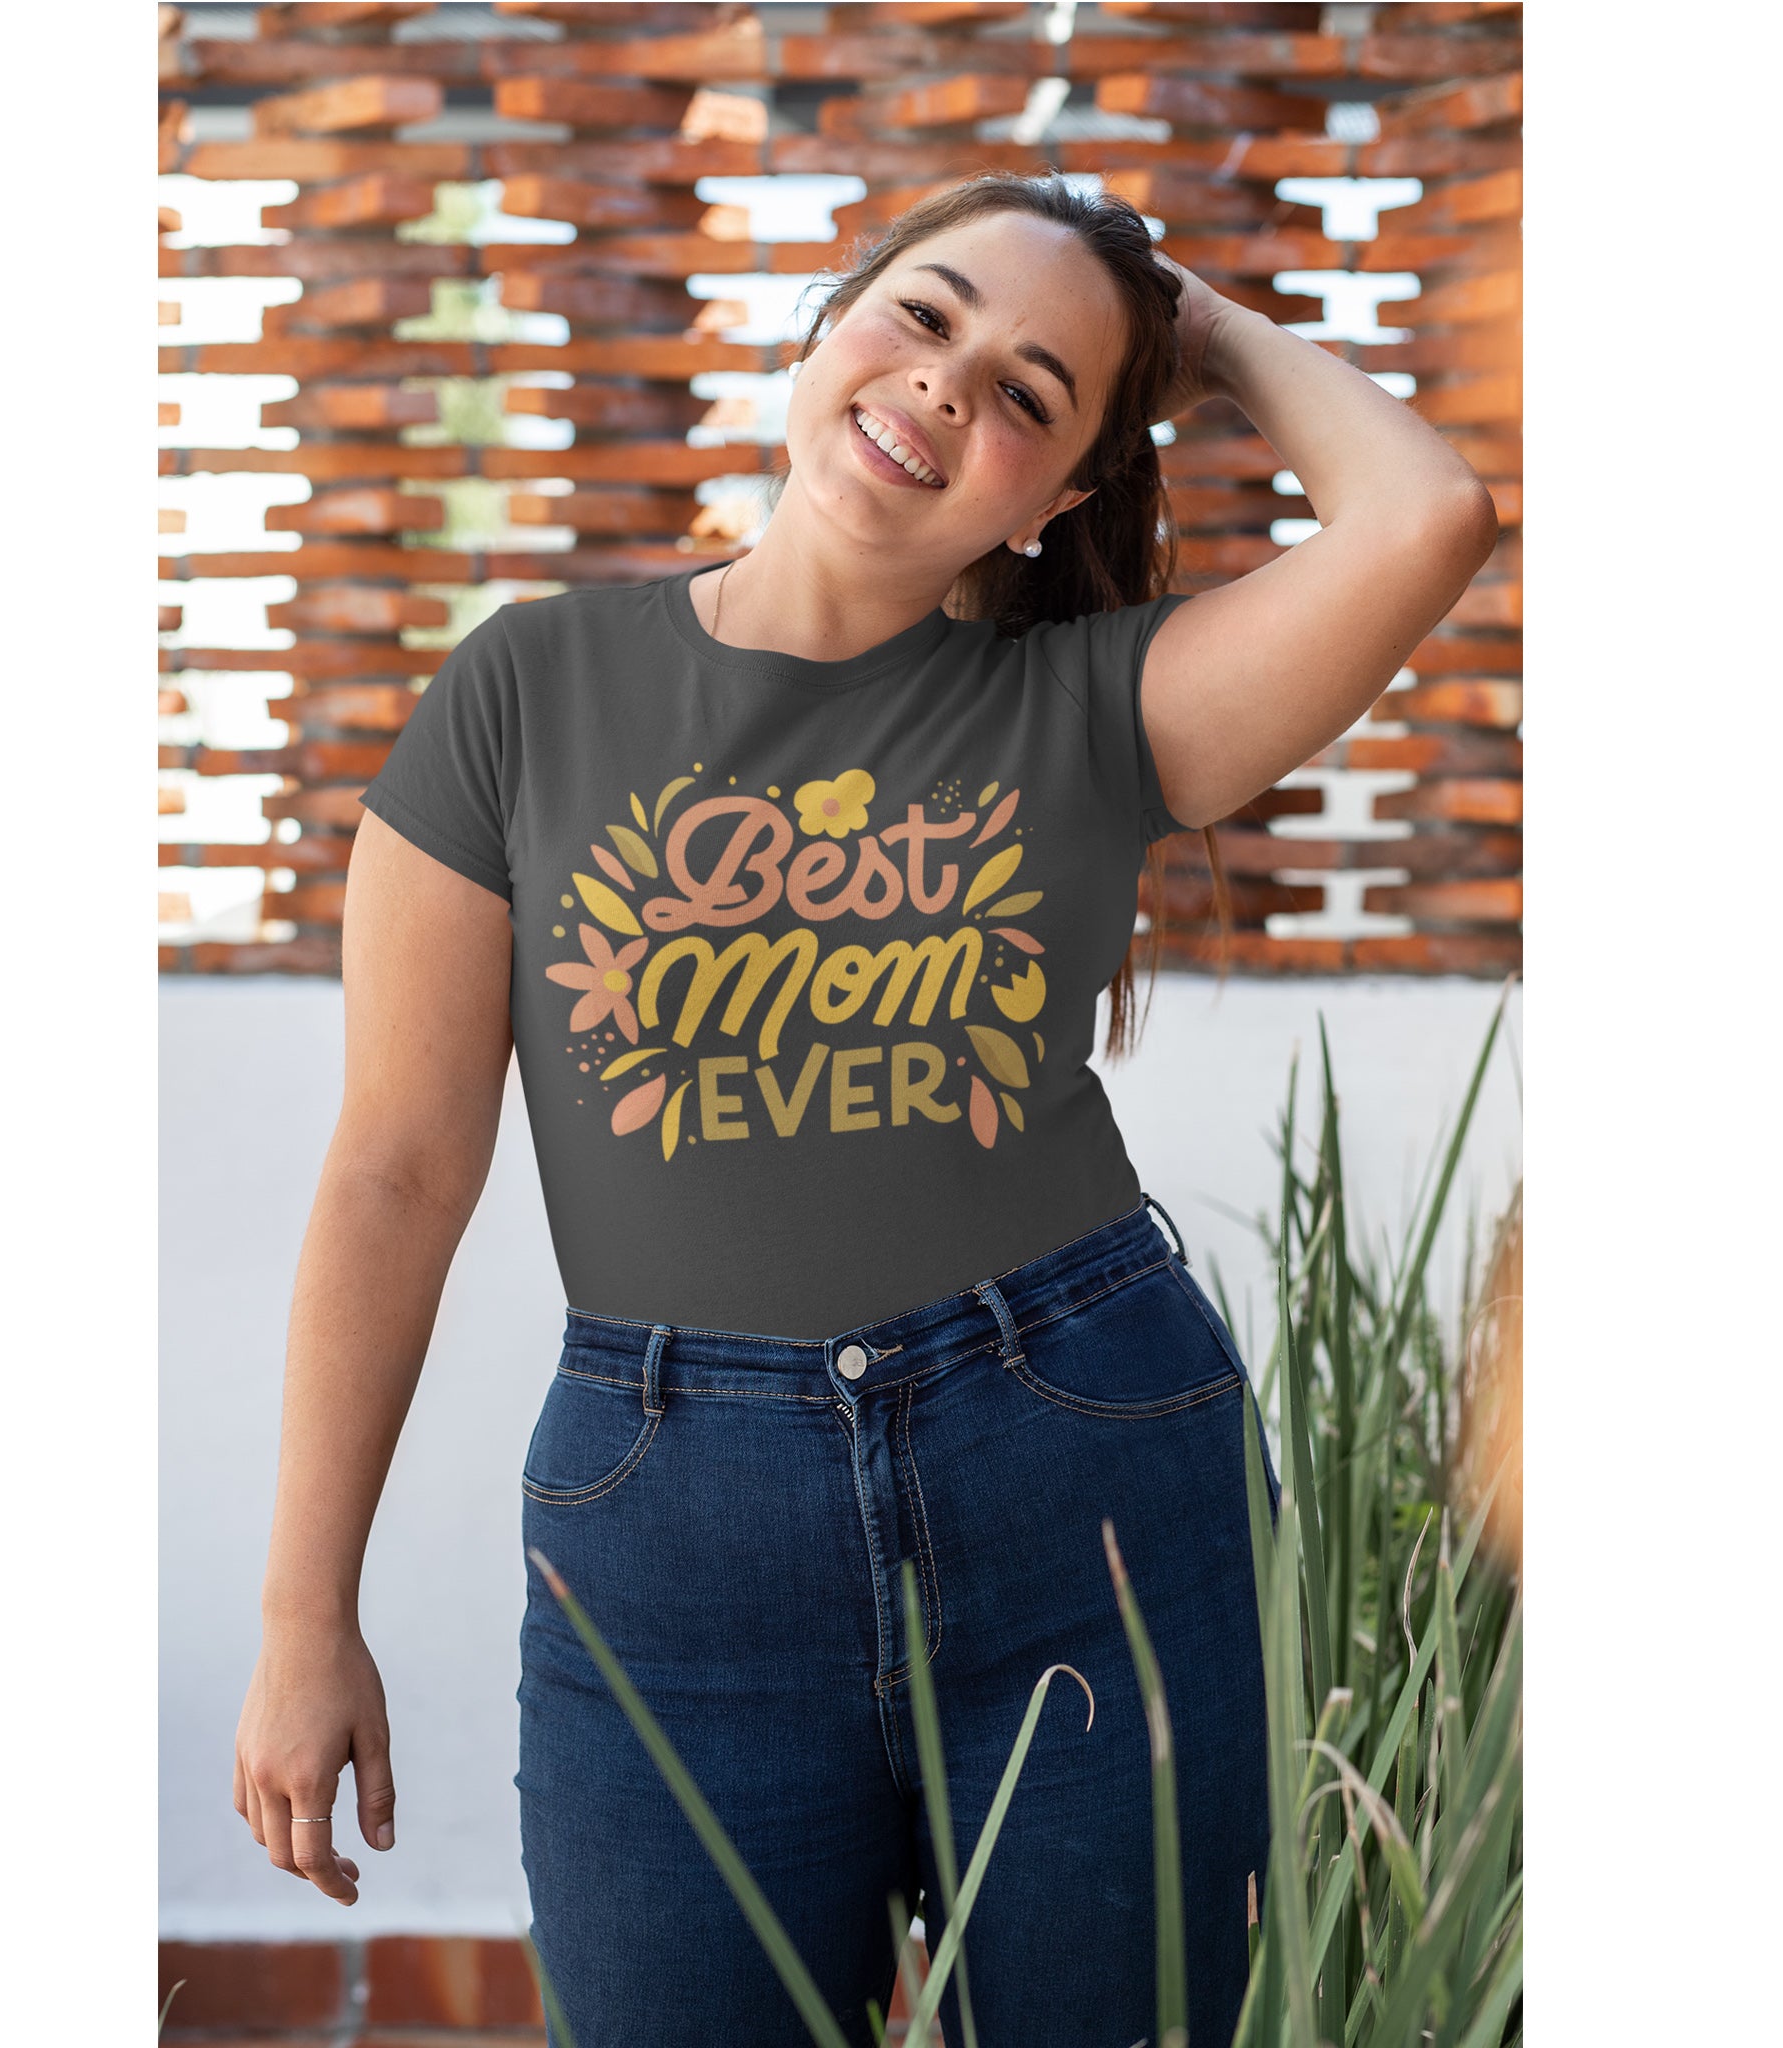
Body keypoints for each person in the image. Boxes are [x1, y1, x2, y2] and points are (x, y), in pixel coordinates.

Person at [232, 170, 1497, 2046]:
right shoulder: (526, 688)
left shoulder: (1100, 706)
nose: (949, 389)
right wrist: (300, 1617)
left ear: (1062, 493)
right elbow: (400, 1172)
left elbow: (1432, 514)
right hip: (676, 1518)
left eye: (1032, 395)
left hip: (1082, 1475)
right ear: (832, 322)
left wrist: (1192, 324)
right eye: (926, 316)